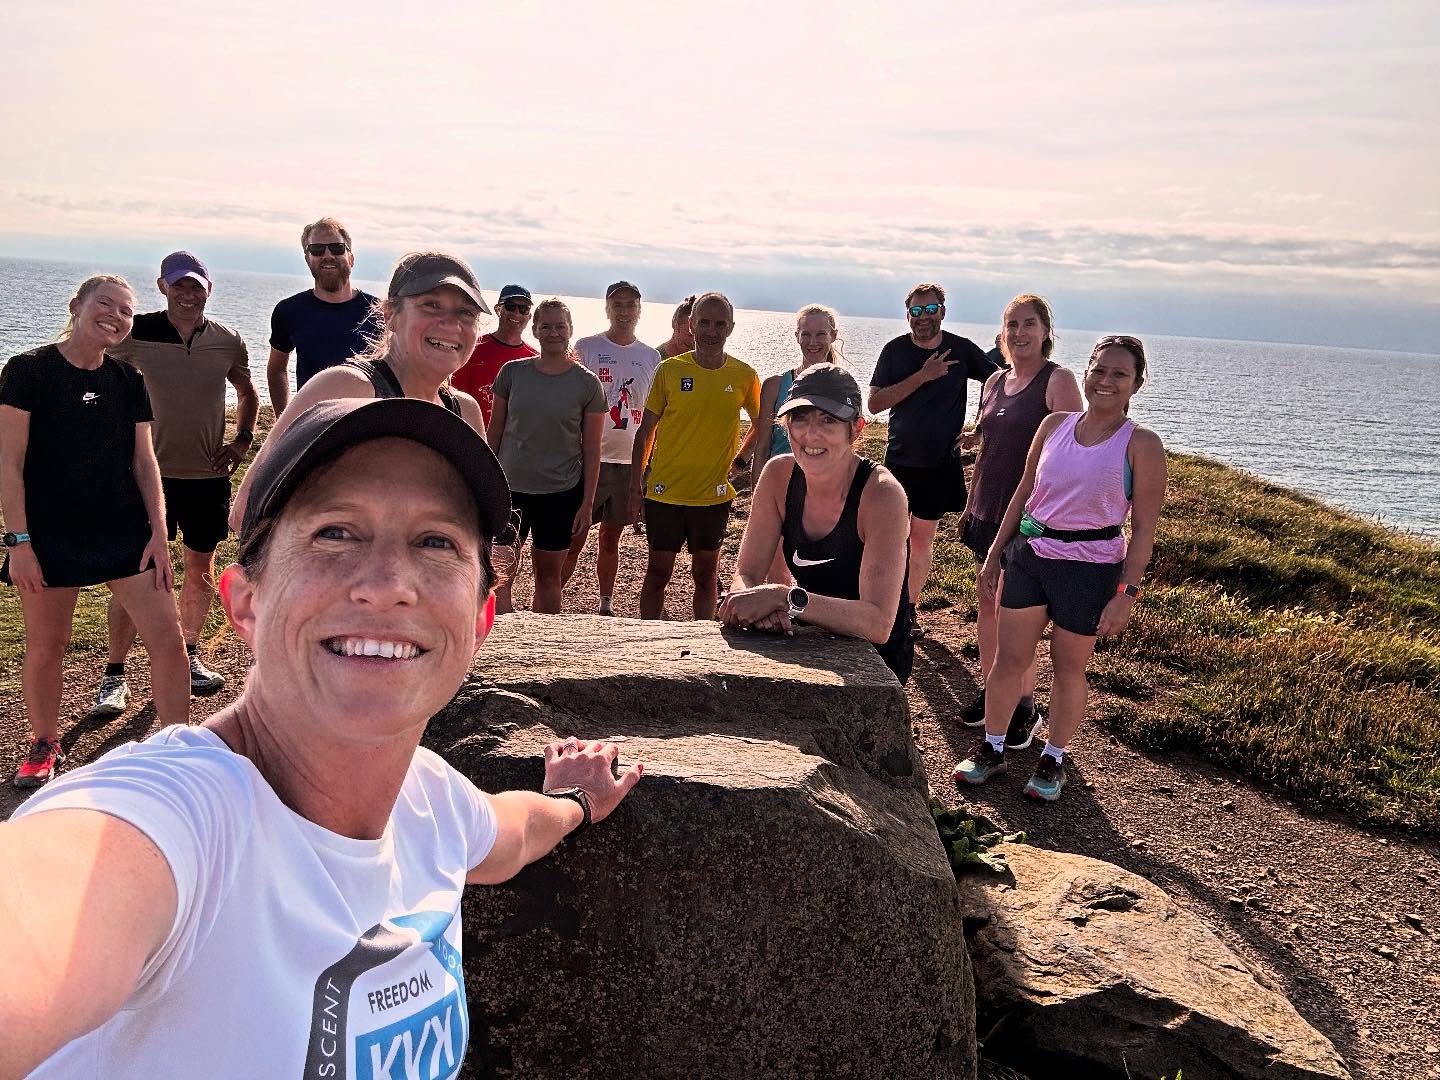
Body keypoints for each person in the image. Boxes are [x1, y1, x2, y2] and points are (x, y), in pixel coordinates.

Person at [0, 396, 642, 1076]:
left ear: (481, 618)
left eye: (436, 542)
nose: (388, 585)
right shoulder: (171, 820)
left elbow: (511, 832)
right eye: (335, 533)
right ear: (245, 600)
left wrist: (573, 802)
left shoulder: (433, 801)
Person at [953, 335, 1167, 801]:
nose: (1106, 381)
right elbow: (1023, 492)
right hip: (1031, 557)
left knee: (1068, 669)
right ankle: (992, 749)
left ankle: (1053, 759)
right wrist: (996, 552)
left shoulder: (1142, 445)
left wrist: (1125, 595)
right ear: (1087, 372)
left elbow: (1144, 531)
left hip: (1090, 570)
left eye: (1119, 374)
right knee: (1009, 660)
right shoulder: (1053, 426)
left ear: (1136, 383)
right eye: (1099, 370)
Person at [0, 276, 189, 789]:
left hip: (125, 533)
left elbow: (144, 462)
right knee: (47, 646)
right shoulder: (27, 371)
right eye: (105, 304)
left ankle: (179, 746)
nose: (116, 315)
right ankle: (44, 742)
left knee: (168, 643)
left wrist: (158, 534)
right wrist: (19, 542)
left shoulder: (128, 381)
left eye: (126, 311)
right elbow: (9, 465)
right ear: (76, 307)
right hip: (49, 536)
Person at [92, 251, 260, 716]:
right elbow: (88, 368)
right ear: (163, 287)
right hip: (145, 476)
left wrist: (243, 440)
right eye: (178, 286)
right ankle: (115, 674)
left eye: (196, 287)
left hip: (206, 477)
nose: (188, 295)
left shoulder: (226, 340)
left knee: (198, 569)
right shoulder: (134, 333)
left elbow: (247, 391)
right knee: (134, 577)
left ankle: (189, 655)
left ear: (209, 290)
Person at [232, 251, 490, 531]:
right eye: (431, 305)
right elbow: (247, 510)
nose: (452, 324)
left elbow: (477, 524)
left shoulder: (465, 412)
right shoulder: (347, 389)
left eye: (466, 312)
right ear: (390, 315)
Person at [719, 364, 914, 682]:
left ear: (856, 429)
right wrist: (752, 599)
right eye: (800, 418)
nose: (811, 434)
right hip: (808, 645)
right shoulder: (777, 476)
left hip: (876, 666)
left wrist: (784, 598)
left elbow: (878, 622)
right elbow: (747, 572)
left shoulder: (882, 495)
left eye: (828, 420)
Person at [956, 295, 1082, 745]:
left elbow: (1075, 448)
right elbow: (992, 432)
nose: (1019, 332)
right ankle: (995, 689)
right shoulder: (994, 380)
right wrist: (973, 438)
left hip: (1029, 516)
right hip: (987, 506)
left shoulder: (1058, 380)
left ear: (1046, 331)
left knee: (1015, 614)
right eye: (1012, 324)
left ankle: (1024, 707)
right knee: (988, 604)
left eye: (1029, 324)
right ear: (1001, 332)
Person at [867, 283, 1000, 615]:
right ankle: (884, 603)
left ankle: (907, 608)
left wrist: (980, 428)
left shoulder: (961, 349)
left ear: (943, 310)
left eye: (930, 309)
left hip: (940, 464)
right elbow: (874, 404)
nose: (922, 317)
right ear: (907, 314)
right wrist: (922, 376)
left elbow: (1000, 384)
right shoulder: (894, 351)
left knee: (922, 539)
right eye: (915, 311)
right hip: (899, 462)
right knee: (892, 539)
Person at [629, 292, 760, 620]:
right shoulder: (669, 370)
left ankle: (703, 644)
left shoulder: (743, 375)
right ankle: (647, 641)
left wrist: (741, 461)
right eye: (704, 322)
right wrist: (635, 486)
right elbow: (645, 432)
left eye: (720, 324)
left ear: (730, 327)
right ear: (691, 325)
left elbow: (762, 423)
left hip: (712, 497)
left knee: (705, 576)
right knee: (658, 573)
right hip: (665, 493)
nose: (712, 330)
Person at [487, 299, 606, 614]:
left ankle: (544, 644)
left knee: (549, 577)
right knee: (499, 575)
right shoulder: (512, 373)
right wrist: (485, 483)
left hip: (561, 493)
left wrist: (587, 503)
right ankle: (499, 642)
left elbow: (593, 449)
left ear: (570, 330)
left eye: (560, 326)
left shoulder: (587, 384)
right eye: (546, 326)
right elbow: (495, 432)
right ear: (535, 330)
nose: (553, 332)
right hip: (510, 490)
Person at [564, 281, 661, 614]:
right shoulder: (587, 347)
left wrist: (647, 465)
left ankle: (605, 603)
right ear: (607, 308)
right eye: (617, 305)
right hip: (588, 458)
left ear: (639, 309)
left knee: (611, 538)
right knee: (574, 538)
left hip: (629, 460)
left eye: (631, 304)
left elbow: (653, 415)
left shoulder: (651, 356)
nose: (624, 311)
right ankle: (551, 602)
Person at [267, 216, 381, 415]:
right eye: (317, 250)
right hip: (313, 427)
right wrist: (284, 420)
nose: (327, 255)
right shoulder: (288, 311)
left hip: (368, 426)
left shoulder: (379, 312)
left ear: (351, 258)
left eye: (337, 248)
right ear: (307, 258)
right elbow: (276, 368)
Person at [450, 283, 537, 427]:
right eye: (510, 306)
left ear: (529, 316)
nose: (517, 313)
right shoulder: (473, 348)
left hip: (516, 445)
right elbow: (454, 397)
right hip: (473, 438)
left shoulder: (534, 359)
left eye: (524, 309)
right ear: (498, 309)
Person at [655, 295, 697, 360]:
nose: (694, 340)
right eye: (690, 335)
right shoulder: (654, 359)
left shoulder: (702, 361)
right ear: (675, 325)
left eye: (697, 335)